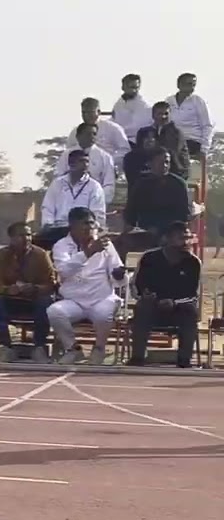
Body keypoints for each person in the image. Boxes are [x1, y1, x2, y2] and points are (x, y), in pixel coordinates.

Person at [47, 207, 127, 365]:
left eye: (92, 223)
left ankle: (99, 350)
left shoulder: (105, 244)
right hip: (74, 301)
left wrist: (119, 275)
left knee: (104, 315)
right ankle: (73, 350)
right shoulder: (61, 245)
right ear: (72, 226)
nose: (90, 228)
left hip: (101, 298)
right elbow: (63, 271)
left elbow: (118, 276)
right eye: (85, 224)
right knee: (54, 311)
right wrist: (88, 253)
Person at [129, 221, 200, 368]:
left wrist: (174, 303)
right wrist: (144, 295)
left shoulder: (193, 262)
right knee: (142, 307)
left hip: (179, 309)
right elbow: (136, 285)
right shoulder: (149, 258)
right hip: (153, 306)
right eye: (181, 238)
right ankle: (137, 358)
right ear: (167, 239)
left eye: (188, 238)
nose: (186, 242)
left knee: (191, 312)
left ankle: (184, 361)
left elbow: (193, 295)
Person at [0, 221, 57, 363]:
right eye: (21, 235)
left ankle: (39, 347)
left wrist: (35, 288)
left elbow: (51, 283)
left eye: (28, 234)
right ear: (11, 238)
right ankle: (5, 347)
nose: (26, 238)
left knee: (46, 302)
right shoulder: (1, 256)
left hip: (34, 299)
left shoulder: (41, 255)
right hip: (12, 299)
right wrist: (9, 289)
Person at [117, 146, 191, 261]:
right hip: (146, 228)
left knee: (170, 241)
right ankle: (123, 273)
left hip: (171, 229)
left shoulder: (178, 184)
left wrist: (168, 232)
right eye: (160, 162)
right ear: (150, 163)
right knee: (121, 242)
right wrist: (128, 228)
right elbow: (131, 211)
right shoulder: (140, 184)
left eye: (167, 162)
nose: (165, 165)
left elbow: (183, 214)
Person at [36, 146, 106, 250]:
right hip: (58, 229)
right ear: (71, 164)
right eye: (82, 161)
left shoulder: (94, 186)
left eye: (87, 161)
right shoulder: (57, 184)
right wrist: (48, 225)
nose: (86, 165)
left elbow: (98, 213)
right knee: (36, 244)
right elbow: (47, 208)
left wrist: (89, 227)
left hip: (83, 230)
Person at [55, 118, 116, 202]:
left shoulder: (105, 157)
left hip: (95, 202)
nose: (92, 137)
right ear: (78, 136)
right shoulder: (66, 155)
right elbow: (59, 178)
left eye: (94, 134)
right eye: (88, 134)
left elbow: (109, 185)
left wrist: (97, 201)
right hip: (68, 201)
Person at [130, 101, 188, 181]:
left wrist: (153, 147)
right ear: (153, 115)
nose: (163, 116)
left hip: (174, 171)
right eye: (160, 114)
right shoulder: (143, 132)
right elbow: (139, 151)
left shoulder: (176, 133)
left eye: (166, 114)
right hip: (149, 170)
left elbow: (171, 153)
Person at [166, 73, 213, 157]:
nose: (192, 88)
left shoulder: (198, 101)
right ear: (179, 85)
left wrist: (204, 148)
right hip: (173, 140)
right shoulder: (169, 101)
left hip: (192, 140)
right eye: (188, 84)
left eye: (193, 85)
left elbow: (207, 125)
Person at [111, 73, 152, 147]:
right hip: (118, 141)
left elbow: (137, 127)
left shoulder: (144, 106)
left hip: (135, 142)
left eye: (136, 88)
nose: (134, 90)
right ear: (123, 87)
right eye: (131, 87)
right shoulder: (118, 104)